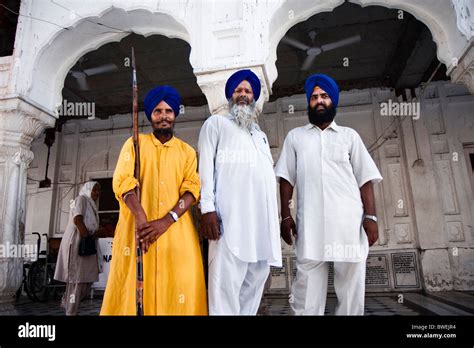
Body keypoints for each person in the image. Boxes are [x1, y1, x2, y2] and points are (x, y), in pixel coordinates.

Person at [275, 74, 383, 315]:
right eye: (314, 97)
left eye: (324, 96)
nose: (319, 101)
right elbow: (285, 178)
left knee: (351, 287)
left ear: (333, 101)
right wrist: (285, 216)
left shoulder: (349, 136)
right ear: (308, 103)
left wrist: (371, 217)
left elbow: (365, 178)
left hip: (348, 223)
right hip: (310, 224)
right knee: (306, 291)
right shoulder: (296, 137)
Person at [100, 86, 207, 315]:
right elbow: (123, 182)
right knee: (133, 290)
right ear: (150, 115)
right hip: (139, 233)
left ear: (175, 114)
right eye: (158, 111)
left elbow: (192, 190)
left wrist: (166, 221)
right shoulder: (134, 144)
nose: (164, 116)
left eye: (168, 110)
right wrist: (140, 217)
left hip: (176, 235)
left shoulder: (187, 152)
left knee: (180, 287)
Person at [198, 69, 282, 315]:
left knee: (253, 288)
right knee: (224, 290)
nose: (243, 95)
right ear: (230, 96)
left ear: (254, 98)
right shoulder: (216, 124)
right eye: (238, 91)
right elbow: (205, 169)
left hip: (260, 227)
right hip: (229, 222)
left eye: (247, 91)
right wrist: (207, 209)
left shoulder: (261, 136)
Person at [54, 181, 101, 315]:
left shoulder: (91, 204)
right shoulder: (81, 199)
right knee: (77, 281)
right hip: (78, 241)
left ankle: (66, 300)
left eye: (98, 191)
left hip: (86, 240)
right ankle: (71, 311)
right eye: (94, 190)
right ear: (88, 189)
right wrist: (87, 238)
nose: (97, 193)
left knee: (87, 278)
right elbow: (78, 220)